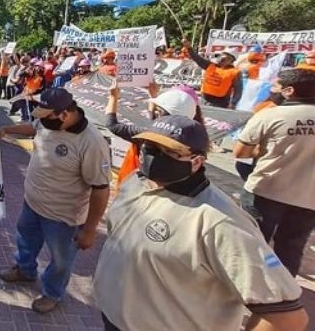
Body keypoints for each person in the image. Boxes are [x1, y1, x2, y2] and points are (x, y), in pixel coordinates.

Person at [93, 116, 308, 331]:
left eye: (169, 152)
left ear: (196, 162)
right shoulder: (135, 182)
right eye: (150, 147)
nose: (153, 156)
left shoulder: (221, 222)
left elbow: (287, 318)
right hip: (113, 318)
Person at [0, 88, 110, 313]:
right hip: (32, 204)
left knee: (61, 260)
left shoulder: (92, 142)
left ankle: (52, 292)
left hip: (63, 216)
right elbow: (34, 128)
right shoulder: (48, 122)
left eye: (46, 116)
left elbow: (101, 189)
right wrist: (8, 129)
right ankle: (25, 269)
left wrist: (89, 230)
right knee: (25, 240)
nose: (42, 121)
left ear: (64, 114)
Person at [233, 68, 315, 277]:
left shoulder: (271, 115)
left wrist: (266, 150)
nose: (271, 89)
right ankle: (284, 289)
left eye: (275, 86)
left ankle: (248, 283)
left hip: (266, 190)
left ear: (289, 91)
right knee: (291, 247)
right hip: (308, 198)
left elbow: (240, 152)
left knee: (252, 241)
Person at [106, 81, 202, 192]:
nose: (155, 112)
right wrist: (153, 96)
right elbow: (156, 121)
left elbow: (112, 125)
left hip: (139, 189)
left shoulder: (149, 135)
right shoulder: (195, 139)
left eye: (158, 110)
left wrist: (113, 97)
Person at [184, 39, 242, 108]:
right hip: (204, 100)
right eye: (222, 55)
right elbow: (197, 58)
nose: (222, 58)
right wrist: (189, 48)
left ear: (231, 60)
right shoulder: (210, 65)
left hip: (221, 103)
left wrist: (233, 103)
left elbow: (238, 90)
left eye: (226, 57)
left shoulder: (235, 72)